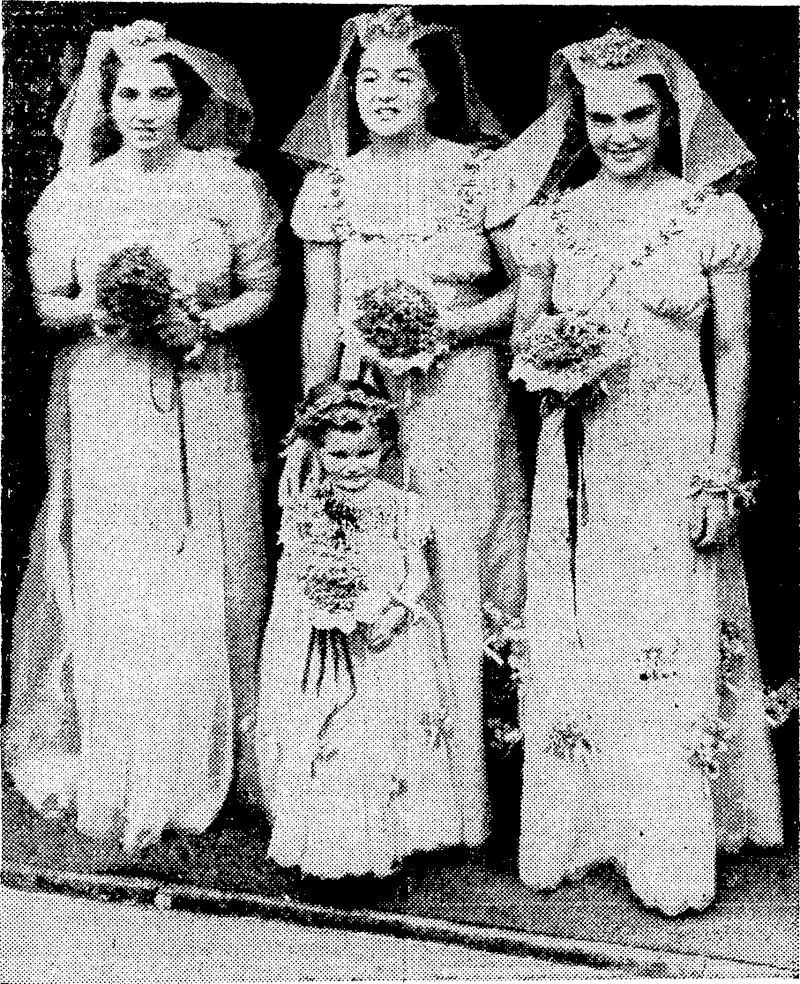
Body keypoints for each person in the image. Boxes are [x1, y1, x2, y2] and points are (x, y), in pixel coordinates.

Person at [507, 27, 783, 914]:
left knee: (665, 623)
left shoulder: (707, 215)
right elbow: (526, 334)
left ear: (669, 118)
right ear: (580, 122)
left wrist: (719, 469)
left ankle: (667, 842)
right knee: (587, 619)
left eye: (637, 116)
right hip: (581, 446)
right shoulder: (551, 219)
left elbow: (732, 347)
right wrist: (552, 361)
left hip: (672, 443)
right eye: (602, 118)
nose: (620, 133)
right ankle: (581, 827)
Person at [4, 20, 280, 856]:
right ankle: (122, 756)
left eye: (163, 94)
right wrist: (102, 311)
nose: (146, 110)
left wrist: (201, 324)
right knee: (119, 562)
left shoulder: (228, 185)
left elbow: (260, 288)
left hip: (203, 386)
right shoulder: (76, 193)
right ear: (108, 103)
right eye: (129, 93)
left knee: (206, 559)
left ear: (187, 103)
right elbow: (47, 302)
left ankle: (207, 756)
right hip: (107, 394)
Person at [280, 5, 528, 846]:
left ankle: (469, 789)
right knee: (373, 555)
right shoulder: (331, 186)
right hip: (367, 397)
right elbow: (320, 311)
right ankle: (374, 789)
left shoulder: (481, 173)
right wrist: (316, 417)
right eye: (367, 78)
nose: (382, 93)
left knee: (457, 551)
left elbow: (525, 293)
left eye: (402, 77)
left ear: (433, 89)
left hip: (460, 390)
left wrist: (446, 326)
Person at [256, 381, 461, 878]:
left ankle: (377, 845)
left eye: (364, 454)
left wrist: (388, 612)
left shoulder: (403, 506)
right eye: (338, 455)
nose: (351, 467)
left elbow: (415, 572)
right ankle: (323, 846)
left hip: (386, 639)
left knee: (375, 738)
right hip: (325, 638)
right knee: (326, 733)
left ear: (385, 449)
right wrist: (320, 602)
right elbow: (296, 569)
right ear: (317, 450)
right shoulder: (307, 508)